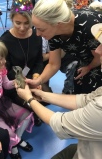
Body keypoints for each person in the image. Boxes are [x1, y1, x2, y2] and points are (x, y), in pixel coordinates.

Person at [15, 23, 102, 159]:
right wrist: (43, 95)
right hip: (88, 146)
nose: (97, 50)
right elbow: (84, 100)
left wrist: (29, 98)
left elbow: (60, 123)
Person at [25, 0, 102, 94]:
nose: (37, 34)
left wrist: (89, 67)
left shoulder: (89, 27)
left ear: (58, 24)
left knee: (91, 94)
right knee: (77, 87)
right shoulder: (53, 32)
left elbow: (98, 57)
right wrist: (39, 80)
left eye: (41, 29)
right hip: (84, 59)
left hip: (97, 60)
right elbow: (53, 64)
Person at [0, 0, 51, 126]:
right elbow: (5, 70)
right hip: (15, 81)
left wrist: (36, 78)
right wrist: (23, 82)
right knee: (30, 100)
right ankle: (33, 113)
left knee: (46, 96)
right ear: (11, 19)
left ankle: (35, 110)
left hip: (32, 77)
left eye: (26, 23)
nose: (22, 28)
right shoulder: (5, 40)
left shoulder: (36, 35)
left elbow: (39, 61)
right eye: (17, 23)